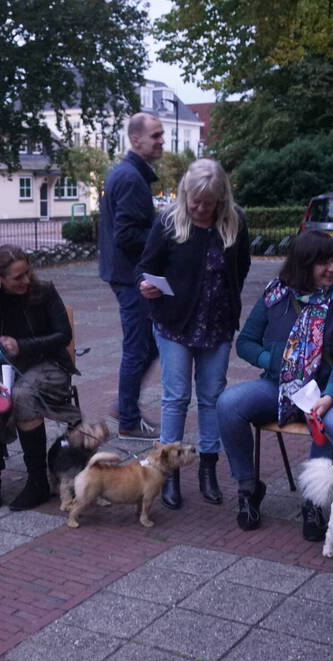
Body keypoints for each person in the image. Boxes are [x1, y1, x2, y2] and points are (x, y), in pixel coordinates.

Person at [216, 231, 333, 540]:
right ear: (302, 264)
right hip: (280, 387)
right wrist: (276, 360)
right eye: (322, 263)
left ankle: (314, 502)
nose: (332, 269)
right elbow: (245, 343)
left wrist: (329, 395)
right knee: (228, 404)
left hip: (330, 391)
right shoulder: (276, 294)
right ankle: (248, 488)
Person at [136, 159, 251, 510]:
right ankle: (167, 473)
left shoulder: (234, 222)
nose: (200, 208)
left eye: (208, 202)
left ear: (221, 199)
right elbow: (147, 266)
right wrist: (146, 285)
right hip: (173, 322)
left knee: (212, 396)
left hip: (216, 324)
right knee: (176, 396)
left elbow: (241, 267)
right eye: (195, 201)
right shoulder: (169, 222)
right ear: (186, 195)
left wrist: (226, 300)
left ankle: (208, 468)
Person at [0, 245, 81, 511]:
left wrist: (23, 345)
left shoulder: (44, 290)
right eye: (18, 277)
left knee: (21, 396)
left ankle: (37, 482)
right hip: (3, 367)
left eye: (27, 273)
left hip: (49, 364)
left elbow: (63, 335)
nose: (26, 281)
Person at [98, 112, 165, 440]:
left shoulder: (130, 175)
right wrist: (163, 234)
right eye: (155, 135)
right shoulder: (129, 178)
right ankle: (128, 418)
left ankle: (126, 406)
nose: (161, 141)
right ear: (136, 140)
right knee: (139, 347)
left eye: (161, 134)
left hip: (127, 274)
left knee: (149, 344)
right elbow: (126, 235)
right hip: (130, 277)